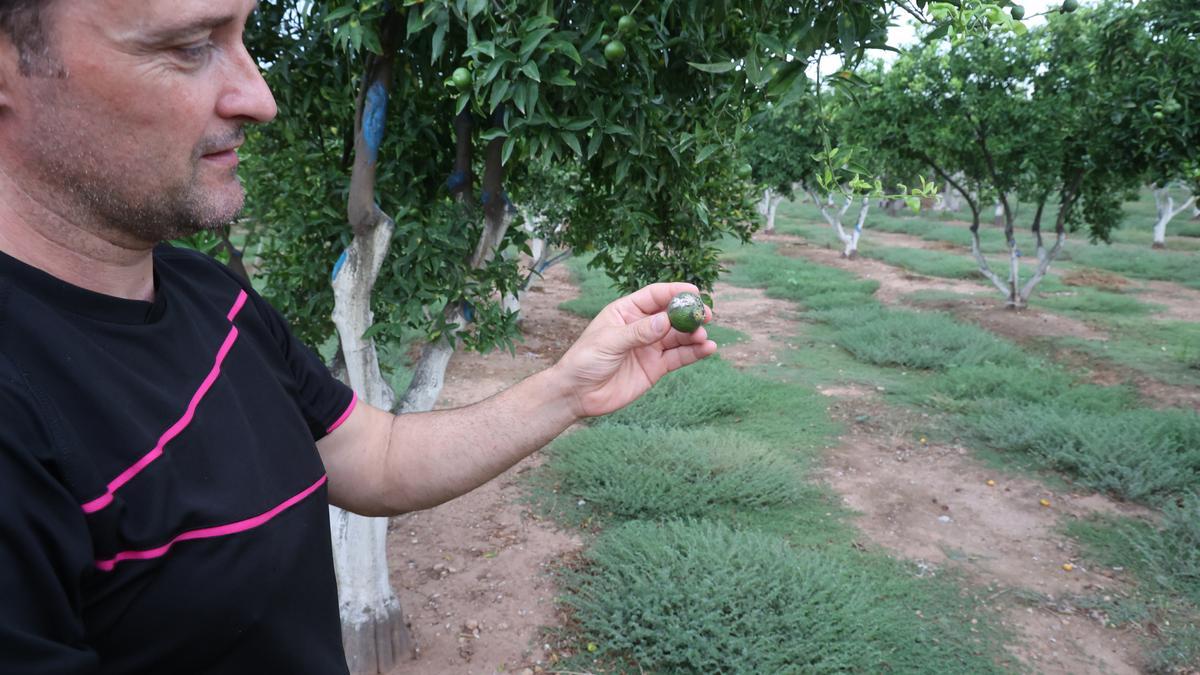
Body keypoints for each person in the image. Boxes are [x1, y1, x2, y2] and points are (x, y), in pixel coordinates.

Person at [0, 0, 717, 673]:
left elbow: (374, 458)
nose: (260, 98)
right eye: (190, 46)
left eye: (243, 37)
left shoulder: (206, 294)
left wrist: (568, 389)